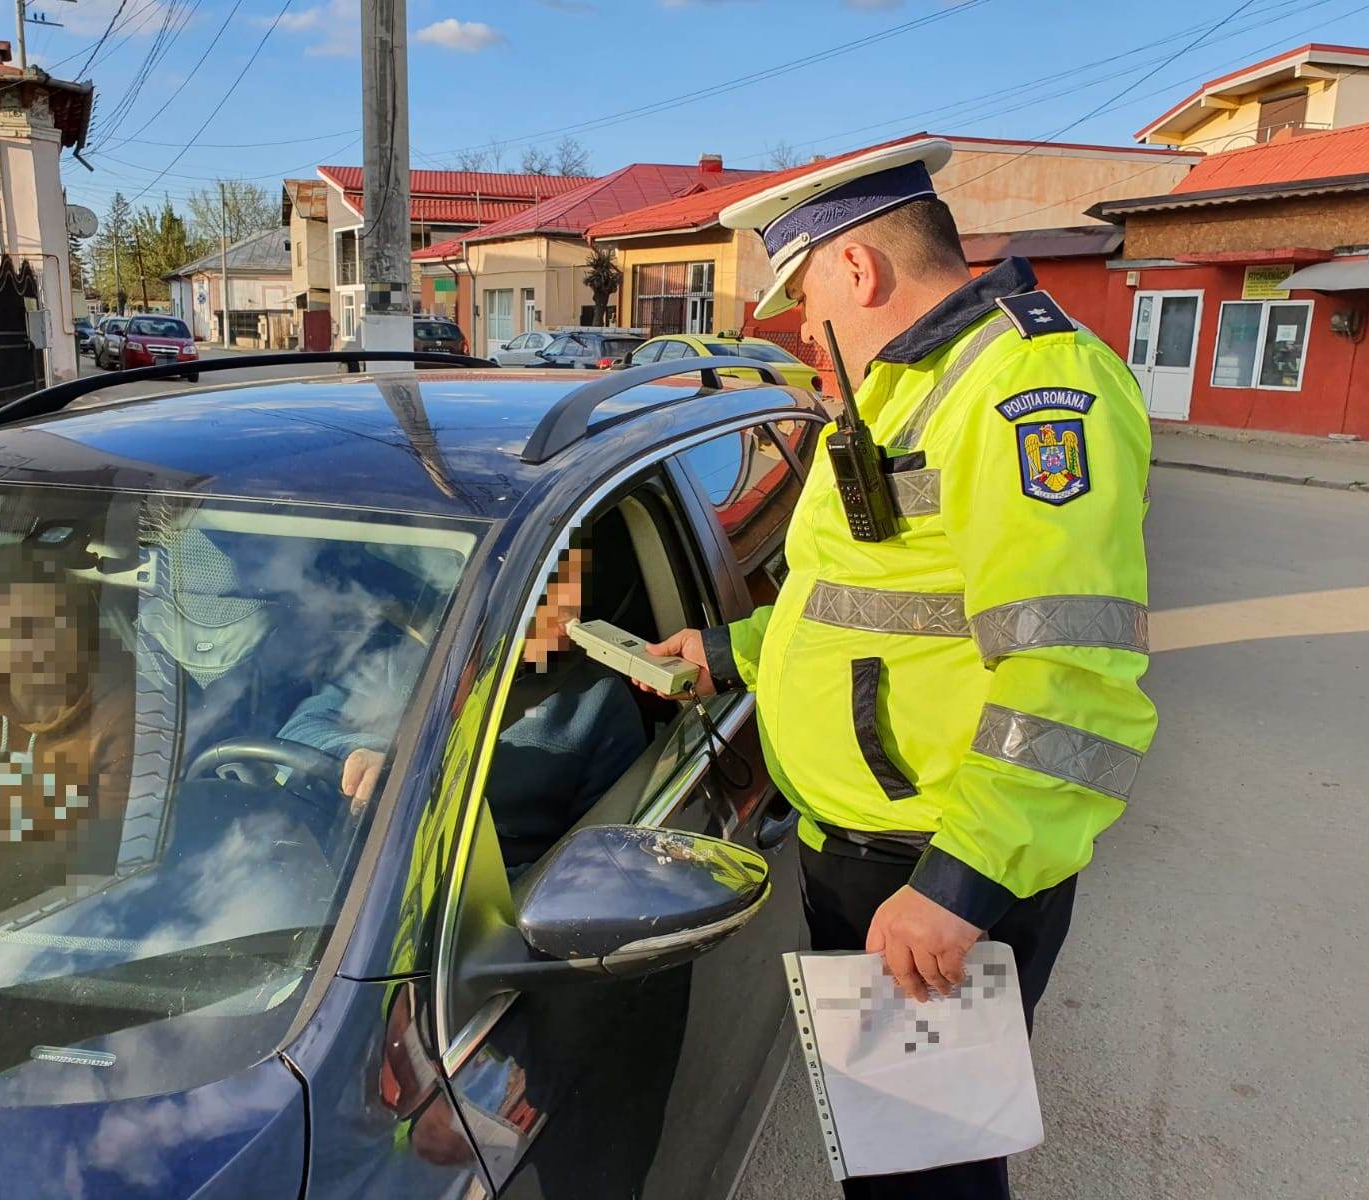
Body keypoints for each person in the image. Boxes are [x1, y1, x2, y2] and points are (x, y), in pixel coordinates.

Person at [645, 139, 1157, 1199]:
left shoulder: (1028, 387)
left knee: (925, 1173)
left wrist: (958, 885)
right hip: (866, 855)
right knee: (891, 1159)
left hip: (933, 865)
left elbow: (1071, 671)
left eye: (800, 293)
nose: (799, 325)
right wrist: (730, 651)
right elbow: (869, 604)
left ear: (856, 267)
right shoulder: (906, 386)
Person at [281, 547, 648, 869]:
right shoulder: (397, 663)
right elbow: (298, 731)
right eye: (542, 594)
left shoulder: (599, 701)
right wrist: (364, 753)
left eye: (573, 591)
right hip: (347, 880)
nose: (567, 618)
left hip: (478, 908)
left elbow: (598, 859)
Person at [0, 541, 133, 857]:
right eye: (24, 629)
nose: (48, 644)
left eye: (62, 621)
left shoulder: (119, 715)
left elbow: (109, 849)